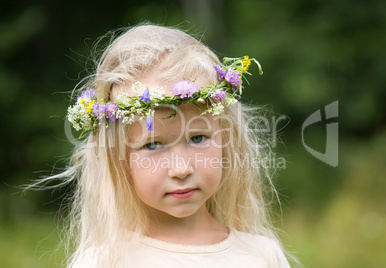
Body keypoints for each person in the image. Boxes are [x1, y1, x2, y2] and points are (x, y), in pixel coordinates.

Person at [58, 23, 292, 267]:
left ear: (228, 140)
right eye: (152, 145)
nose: (181, 169)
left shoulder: (261, 256)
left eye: (198, 138)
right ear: (118, 156)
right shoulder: (107, 262)